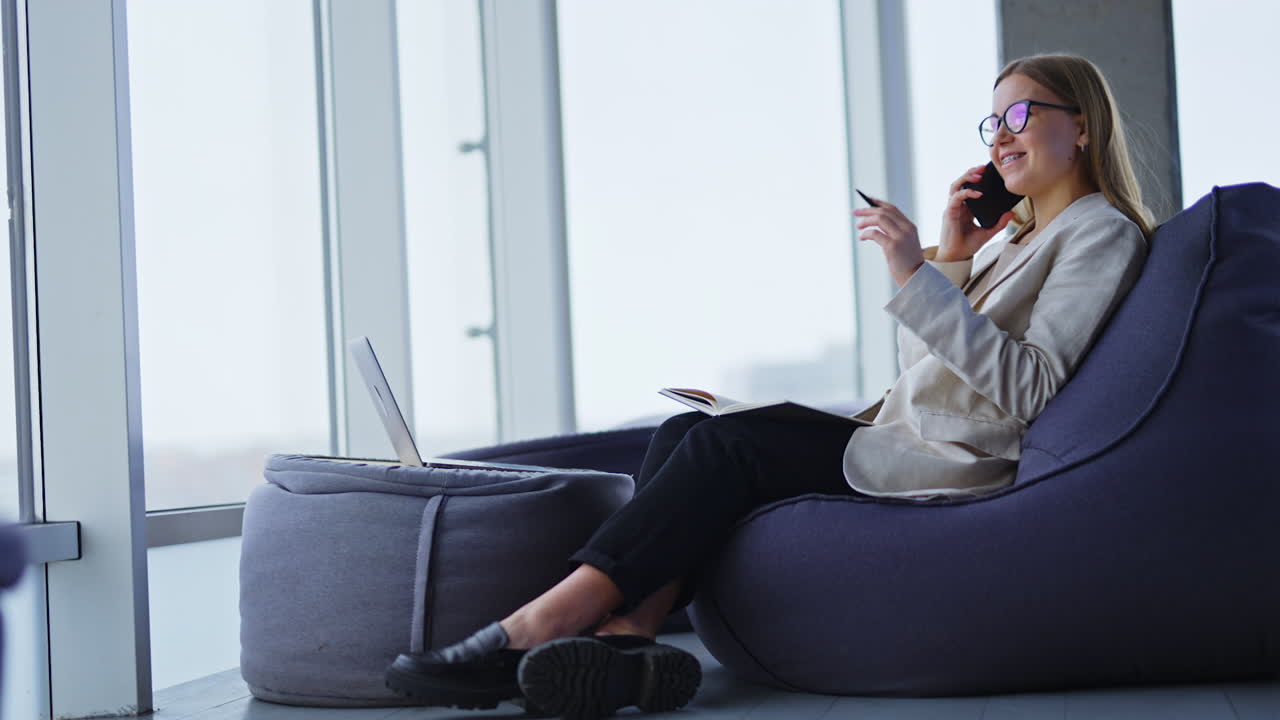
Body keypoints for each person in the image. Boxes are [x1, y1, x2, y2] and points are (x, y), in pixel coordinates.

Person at [384, 53, 1154, 719]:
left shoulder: (1100, 232)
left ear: (1081, 126)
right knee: (688, 432)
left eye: (1020, 112)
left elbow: (1031, 388)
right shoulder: (1013, 241)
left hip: (954, 462)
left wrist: (917, 273)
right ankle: (627, 643)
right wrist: (953, 257)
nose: (1003, 136)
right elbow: (919, 373)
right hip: (905, 435)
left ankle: (541, 623)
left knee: (725, 449)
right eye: (992, 124)